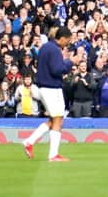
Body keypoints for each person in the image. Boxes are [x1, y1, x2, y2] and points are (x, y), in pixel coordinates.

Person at [23, 27, 83, 161]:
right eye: (67, 40)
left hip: (47, 87)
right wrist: (70, 62)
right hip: (51, 88)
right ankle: (53, 154)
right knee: (58, 119)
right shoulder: (54, 49)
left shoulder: (46, 47)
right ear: (62, 38)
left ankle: (29, 141)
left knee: (55, 119)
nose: (67, 43)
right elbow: (57, 70)